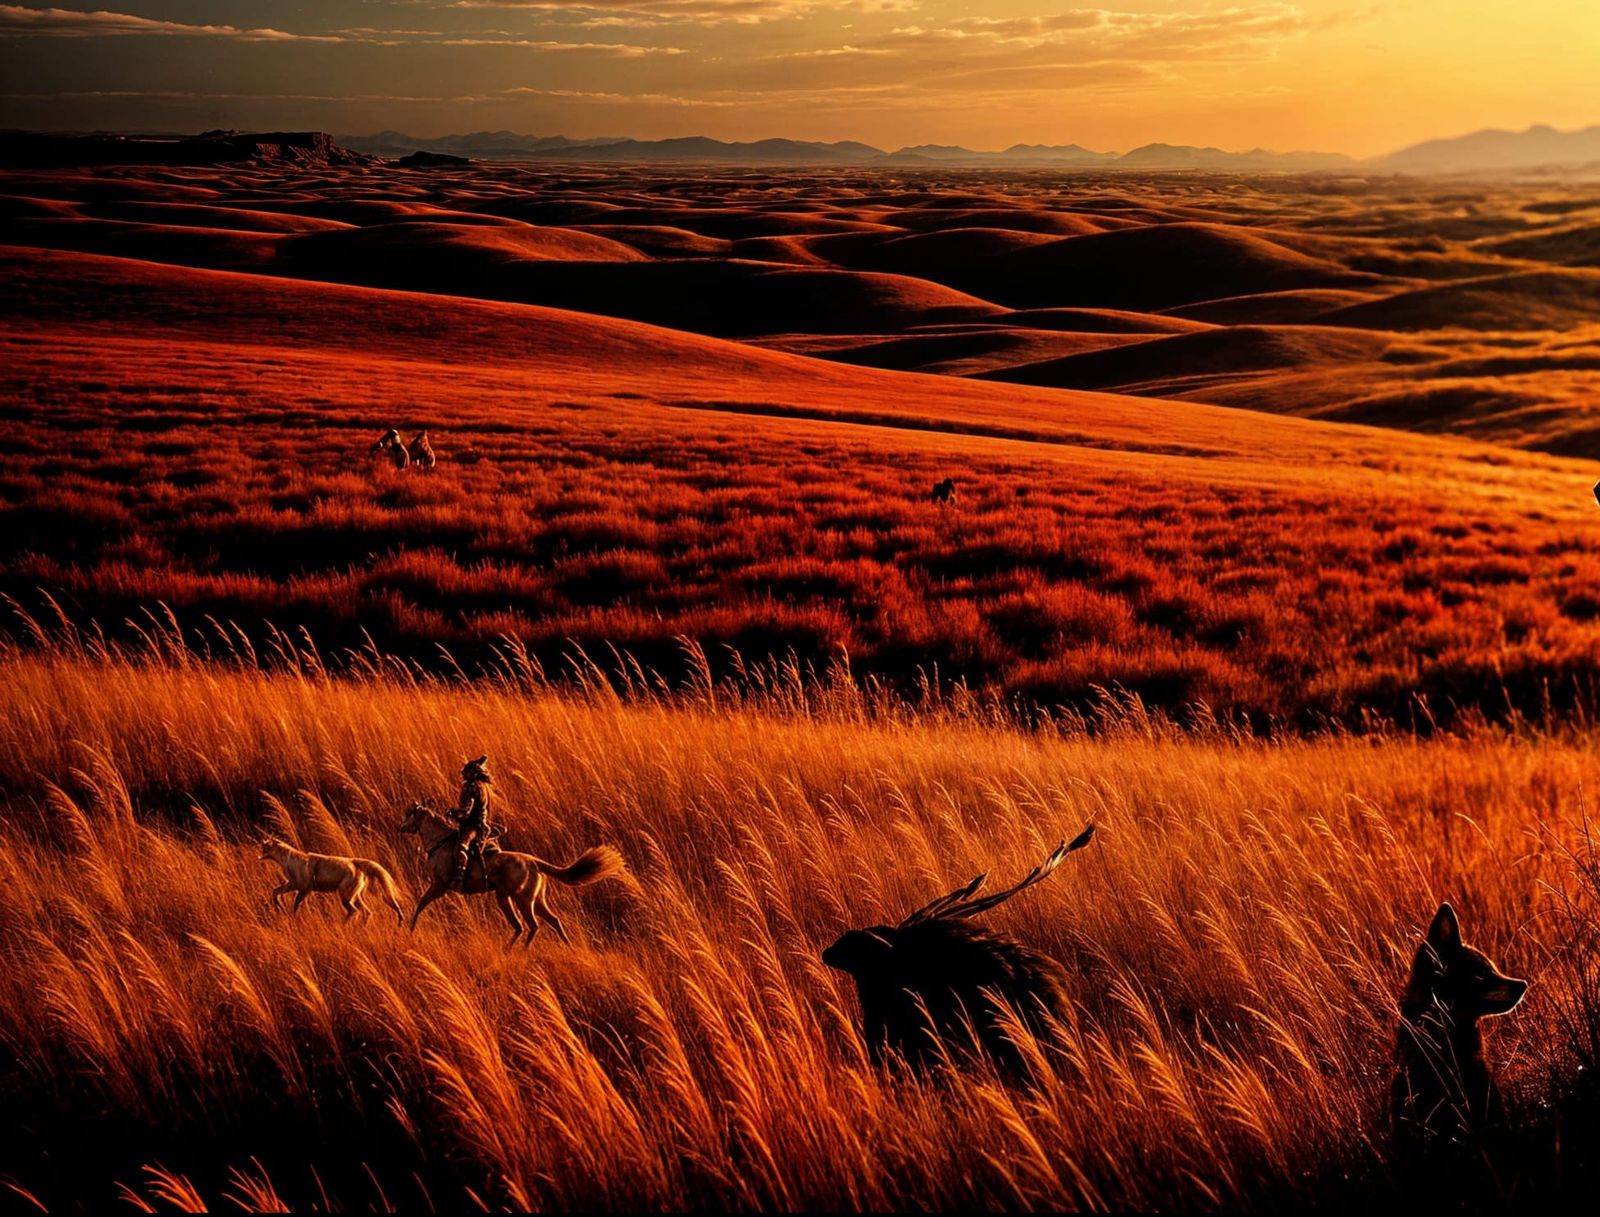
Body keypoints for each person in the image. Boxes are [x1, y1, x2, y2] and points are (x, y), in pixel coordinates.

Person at [452, 755, 493, 888]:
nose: (463, 773)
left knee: (461, 847)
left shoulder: (471, 787)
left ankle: (460, 877)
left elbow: (466, 811)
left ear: (472, 773)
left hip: (473, 826)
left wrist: (454, 813)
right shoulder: (484, 786)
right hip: (482, 825)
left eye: (466, 771)